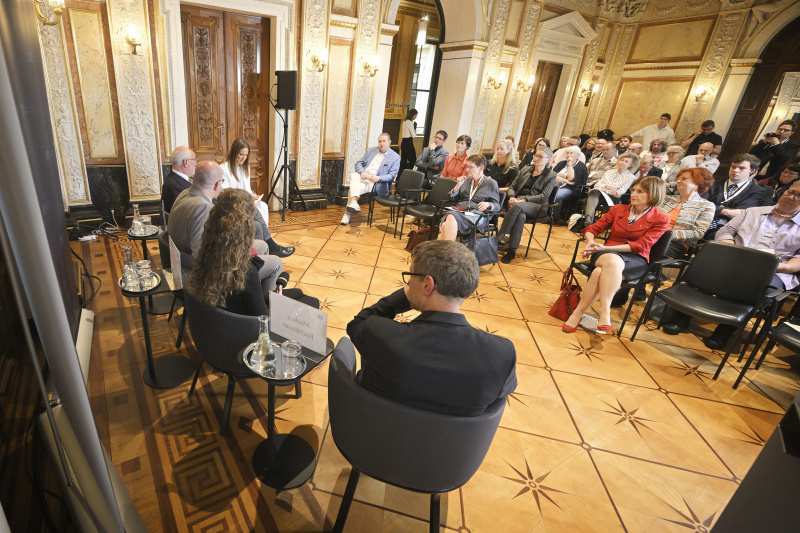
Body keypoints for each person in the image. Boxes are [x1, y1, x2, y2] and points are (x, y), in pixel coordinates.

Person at [346, 240, 517, 416]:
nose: (408, 284)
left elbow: (357, 323)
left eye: (411, 276)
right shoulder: (501, 354)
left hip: (372, 435)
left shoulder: (382, 335)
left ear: (427, 284)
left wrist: (404, 297)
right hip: (452, 443)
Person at [661, 180, 800, 349]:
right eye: (790, 191)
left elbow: (797, 262)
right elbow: (725, 231)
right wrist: (734, 253)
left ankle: (725, 330)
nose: (790, 196)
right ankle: (682, 316)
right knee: (700, 269)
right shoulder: (753, 212)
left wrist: (773, 266)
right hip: (732, 259)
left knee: (764, 288)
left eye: (798, 195)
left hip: (774, 270)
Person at [562, 176, 669, 334]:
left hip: (636, 258)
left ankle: (578, 313)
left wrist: (602, 248)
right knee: (612, 261)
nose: (633, 194)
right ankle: (605, 312)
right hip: (607, 253)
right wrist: (590, 242)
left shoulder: (661, 219)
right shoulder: (618, 209)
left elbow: (641, 246)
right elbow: (593, 228)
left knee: (600, 272)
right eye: (633, 190)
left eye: (640, 191)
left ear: (653, 194)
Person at [168, 161, 282, 295]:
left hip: (181, 262)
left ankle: (253, 294)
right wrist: (233, 255)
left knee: (262, 245)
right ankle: (264, 306)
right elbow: (201, 255)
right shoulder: (202, 207)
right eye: (221, 182)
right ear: (217, 184)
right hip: (203, 275)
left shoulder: (185, 194)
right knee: (276, 263)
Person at [612, 168, 715, 307]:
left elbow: (698, 232)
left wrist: (666, 235)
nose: (678, 180)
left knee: (645, 250)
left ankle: (625, 290)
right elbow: (649, 217)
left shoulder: (706, 206)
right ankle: (638, 286)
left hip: (675, 244)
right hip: (651, 238)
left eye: (684, 178)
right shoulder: (668, 199)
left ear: (698, 182)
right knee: (632, 244)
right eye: (679, 177)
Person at [221, 138, 294, 257]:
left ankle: (266, 243)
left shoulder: (245, 168)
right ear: (234, 152)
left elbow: (247, 189)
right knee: (255, 209)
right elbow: (225, 193)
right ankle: (272, 245)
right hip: (232, 204)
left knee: (263, 206)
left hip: (244, 201)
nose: (243, 158)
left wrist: (252, 195)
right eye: (240, 154)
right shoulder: (223, 168)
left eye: (245, 155)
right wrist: (246, 196)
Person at [497, 148, 556, 263]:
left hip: (538, 207)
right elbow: (512, 187)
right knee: (520, 216)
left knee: (517, 207)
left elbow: (543, 196)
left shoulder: (551, 175)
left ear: (548, 160)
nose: (536, 158)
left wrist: (522, 200)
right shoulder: (526, 169)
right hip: (518, 204)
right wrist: (512, 197)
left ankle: (499, 237)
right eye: (535, 155)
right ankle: (512, 250)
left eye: (540, 157)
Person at [437, 154, 501, 242]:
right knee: (446, 224)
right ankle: (445, 253)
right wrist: (458, 186)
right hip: (461, 211)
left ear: (481, 168)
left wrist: (489, 204)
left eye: (471, 167)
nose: (467, 170)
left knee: (450, 219)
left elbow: (497, 206)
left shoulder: (490, 183)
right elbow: (452, 198)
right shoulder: (467, 180)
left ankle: (446, 252)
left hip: (477, 215)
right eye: (467, 167)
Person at [703, 153, 768, 239]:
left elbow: (741, 214)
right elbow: (701, 205)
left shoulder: (757, 191)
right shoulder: (713, 184)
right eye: (733, 167)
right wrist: (726, 212)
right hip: (703, 222)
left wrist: (713, 208)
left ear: (751, 171)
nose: (735, 170)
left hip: (729, 229)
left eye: (741, 168)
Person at [341, 132, 401, 225]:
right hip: (364, 177)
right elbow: (359, 163)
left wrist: (378, 178)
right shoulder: (371, 150)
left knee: (352, 189)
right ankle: (353, 203)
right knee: (354, 175)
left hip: (375, 183)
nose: (381, 143)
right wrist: (362, 172)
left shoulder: (395, 157)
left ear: (389, 142)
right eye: (380, 141)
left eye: (384, 141)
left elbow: (392, 175)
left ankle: (348, 212)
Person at [583, 153, 639, 224]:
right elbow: (597, 184)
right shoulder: (609, 172)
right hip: (599, 194)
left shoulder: (630, 177)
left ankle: (588, 219)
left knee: (593, 193)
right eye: (622, 160)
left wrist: (604, 189)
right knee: (594, 193)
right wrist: (608, 187)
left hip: (613, 199)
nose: (622, 162)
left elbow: (620, 192)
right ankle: (589, 220)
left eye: (626, 161)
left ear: (630, 165)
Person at [551, 146, 589, 221]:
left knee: (557, 196)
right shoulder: (562, 163)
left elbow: (571, 179)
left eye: (571, 153)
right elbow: (552, 175)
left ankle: (556, 217)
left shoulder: (581, 166)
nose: (568, 155)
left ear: (578, 155)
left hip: (571, 188)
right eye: (567, 153)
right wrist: (565, 179)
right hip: (556, 184)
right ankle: (545, 213)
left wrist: (570, 165)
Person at [162, 146, 196, 215]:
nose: (196, 164)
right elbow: (188, 212)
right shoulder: (172, 185)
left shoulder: (178, 179)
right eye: (194, 160)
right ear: (186, 162)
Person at [399, 108, 418, 174]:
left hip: (403, 142)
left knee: (403, 161)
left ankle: (399, 178)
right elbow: (413, 135)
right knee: (412, 160)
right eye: (415, 115)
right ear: (413, 115)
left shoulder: (404, 122)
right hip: (408, 142)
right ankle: (408, 175)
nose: (416, 117)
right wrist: (415, 129)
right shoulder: (410, 123)